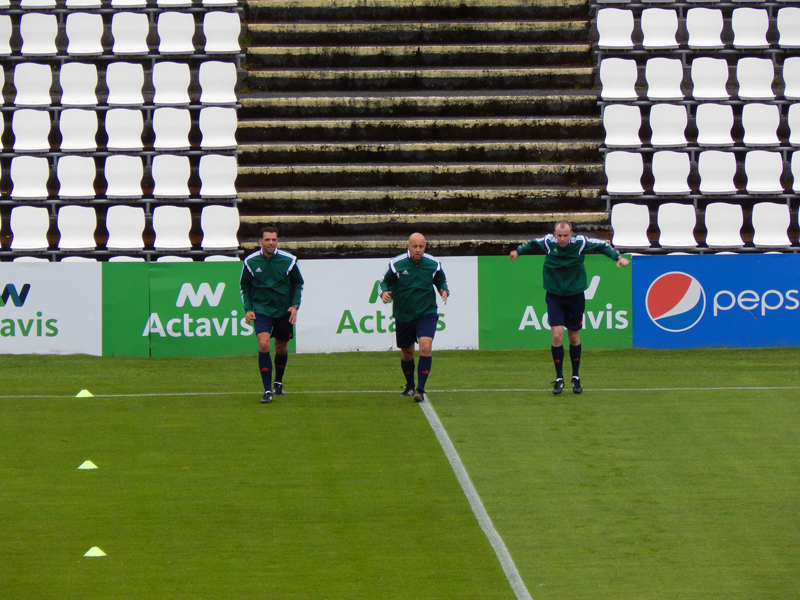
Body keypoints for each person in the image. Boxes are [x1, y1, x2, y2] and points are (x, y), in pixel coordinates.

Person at [509, 220, 629, 395]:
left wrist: (617, 257)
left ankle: (575, 376)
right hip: (554, 296)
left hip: (575, 296)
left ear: (571, 234)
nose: (562, 239)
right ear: (555, 234)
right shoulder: (548, 242)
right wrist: (517, 252)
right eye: (559, 235)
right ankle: (559, 378)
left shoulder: (580, 243)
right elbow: (532, 244)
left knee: (573, 337)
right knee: (557, 335)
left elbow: (602, 245)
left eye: (566, 235)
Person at [379, 233, 449, 402]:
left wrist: (444, 289)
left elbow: (441, 280)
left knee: (425, 346)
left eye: (421, 247)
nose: (418, 250)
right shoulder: (396, 264)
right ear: (408, 246)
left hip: (427, 312)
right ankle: (410, 386)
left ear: (425, 247)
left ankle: (420, 390)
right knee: (407, 353)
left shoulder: (433, 264)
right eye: (415, 246)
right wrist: (383, 293)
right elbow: (384, 283)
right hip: (404, 314)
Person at [240, 226, 304, 404]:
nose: (271, 243)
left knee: (281, 348)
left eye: (274, 239)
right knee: (263, 343)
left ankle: (278, 382)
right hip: (262, 310)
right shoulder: (250, 261)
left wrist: (295, 306)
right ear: (260, 241)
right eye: (267, 239)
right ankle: (267, 390)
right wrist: (248, 309)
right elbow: (245, 286)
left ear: (277, 241)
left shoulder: (289, 260)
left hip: (283, 310)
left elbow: (298, 283)